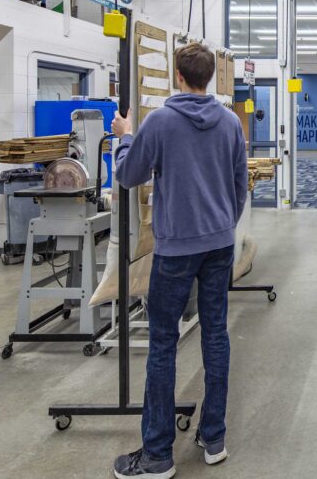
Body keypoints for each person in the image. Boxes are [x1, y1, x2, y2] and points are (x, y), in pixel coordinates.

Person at [111, 42, 248, 479]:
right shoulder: (229, 122)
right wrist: (223, 222)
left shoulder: (161, 122)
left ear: (178, 75)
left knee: (164, 343)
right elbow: (240, 184)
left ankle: (157, 455)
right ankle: (214, 437)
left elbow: (129, 173)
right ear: (208, 77)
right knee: (216, 336)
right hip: (219, 244)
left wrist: (124, 137)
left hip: (175, 250)